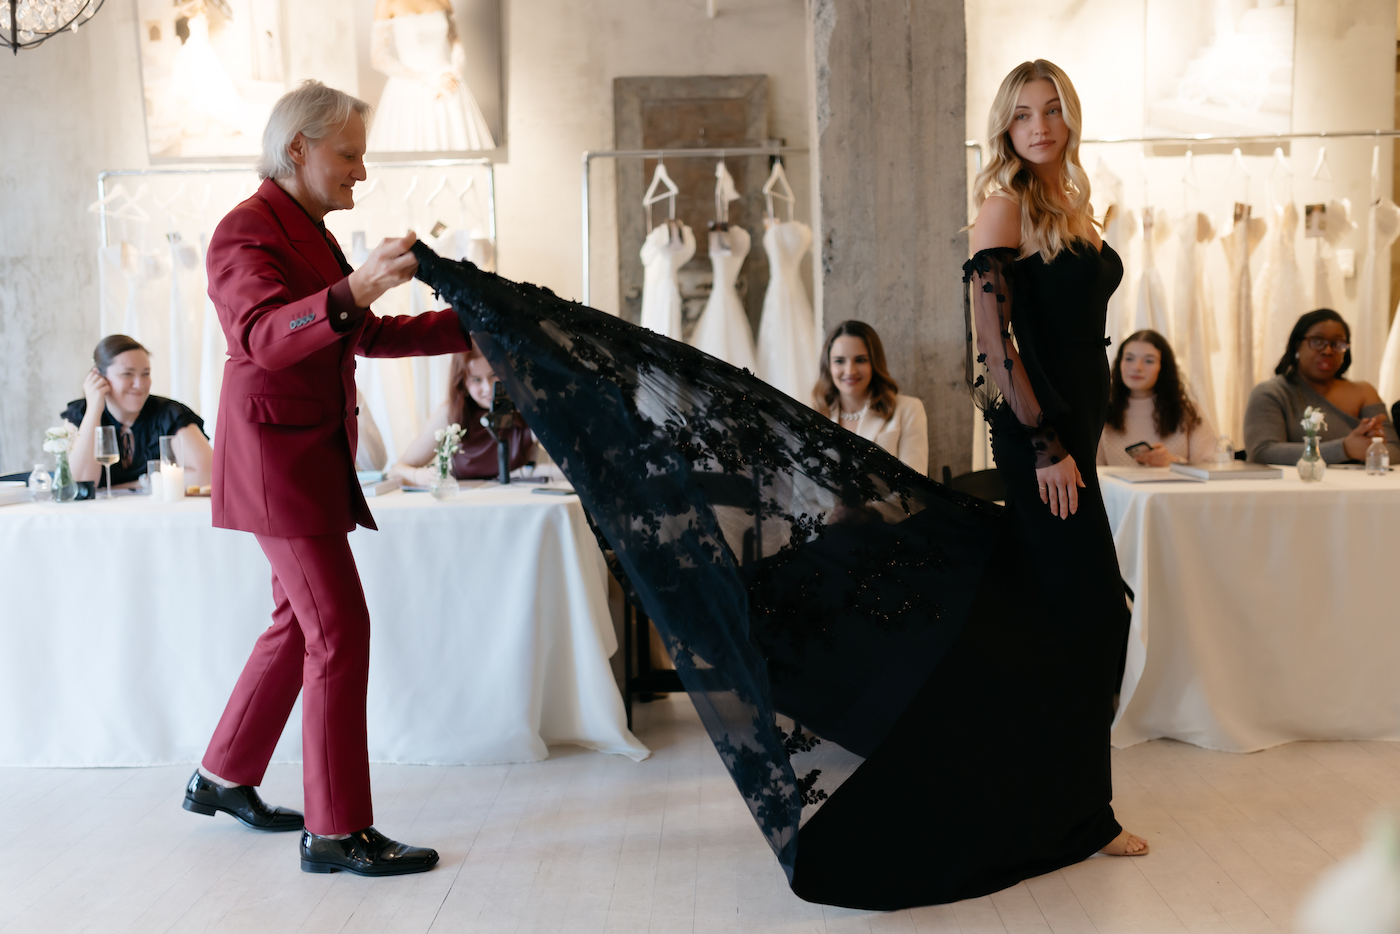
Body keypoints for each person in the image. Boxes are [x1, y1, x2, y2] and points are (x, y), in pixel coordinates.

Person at [408, 57, 1148, 910]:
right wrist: (1045, 441)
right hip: (1043, 442)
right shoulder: (1004, 203)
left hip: (1074, 443)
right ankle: (1082, 814)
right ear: (1004, 128)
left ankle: (1055, 801)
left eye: (1052, 110)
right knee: (1093, 614)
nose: (1040, 126)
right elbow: (993, 342)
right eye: (1023, 114)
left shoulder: (1074, 208)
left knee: (1061, 620)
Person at [187, 80, 470, 877]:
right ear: (298, 149)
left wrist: (473, 322)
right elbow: (267, 340)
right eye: (350, 155)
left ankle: (222, 775)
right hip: (280, 465)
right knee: (338, 630)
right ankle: (336, 831)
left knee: (296, 623)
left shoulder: (305, 228)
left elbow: (361, 334)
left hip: (306, 456)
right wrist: (356, 288)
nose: (361, 172)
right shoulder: (243, 232)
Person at [1244, 309, 1400, 465]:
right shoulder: (1271, 393)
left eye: (1337, 344)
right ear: (1297, 345)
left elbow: (1394, 452)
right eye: (1317, 341)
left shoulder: (1364, 392)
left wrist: (1371, 448)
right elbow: (1262, 452)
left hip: (1359, 487)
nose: (1327, 351)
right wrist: (1344, 449)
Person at [63, 335, 213, 488]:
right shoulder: (79, 414)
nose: (139, 384)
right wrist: (94, 408)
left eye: (145, 373)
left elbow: (208, 475)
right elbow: (81, 483)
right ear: (99, 377)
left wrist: (140, 484)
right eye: (127, 374)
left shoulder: (169, 414)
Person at [387, 348, 535, 485]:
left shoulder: (528, 411)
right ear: (463, 382)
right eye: (476, 380)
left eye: (494, 375)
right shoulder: (450, 414)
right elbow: (396, 470)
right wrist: (418, 476)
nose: (487, 388)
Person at [365, 0, 496, 152]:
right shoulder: (387, 3)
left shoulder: (443, 1)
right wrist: (432, 78)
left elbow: (455, 42)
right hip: (409, 86)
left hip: (447, 82)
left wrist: (455, 74)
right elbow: (378, 57)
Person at [813, 321, 928, 474]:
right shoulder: (815, 415)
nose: (850, 371)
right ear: (828, 365)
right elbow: (805, 488)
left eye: (860, 360)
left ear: (874, 363)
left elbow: (915, 486)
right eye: (839, 361)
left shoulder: (909, 409)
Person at [1097, 329, 1216, 466]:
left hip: (1174, 488)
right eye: (1129, 358)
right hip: (1114, 488)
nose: (1137, 367)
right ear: (1119, 363)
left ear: (1163, 367)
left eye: (1149, 361)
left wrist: (1173, 462)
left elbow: (1209, 465)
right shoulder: (1102, 413)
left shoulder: (1188, 411)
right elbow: (1092, 473)